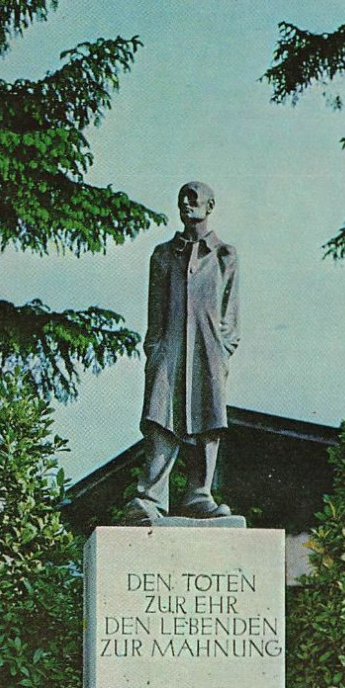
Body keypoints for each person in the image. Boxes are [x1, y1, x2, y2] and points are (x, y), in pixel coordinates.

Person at [125, 180, 239, 522]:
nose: (186, 203)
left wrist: (221, 350)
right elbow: (154, 313)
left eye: (194, 197)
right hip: (170, 347)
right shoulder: (163, 255)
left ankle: (198, 494)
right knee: (161, 416)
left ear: (210, 205)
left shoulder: (224, 255)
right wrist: (155, 352)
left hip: (208, 348)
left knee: (208, 418)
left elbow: (230, 315)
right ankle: (150, 497)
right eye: (182, 199)